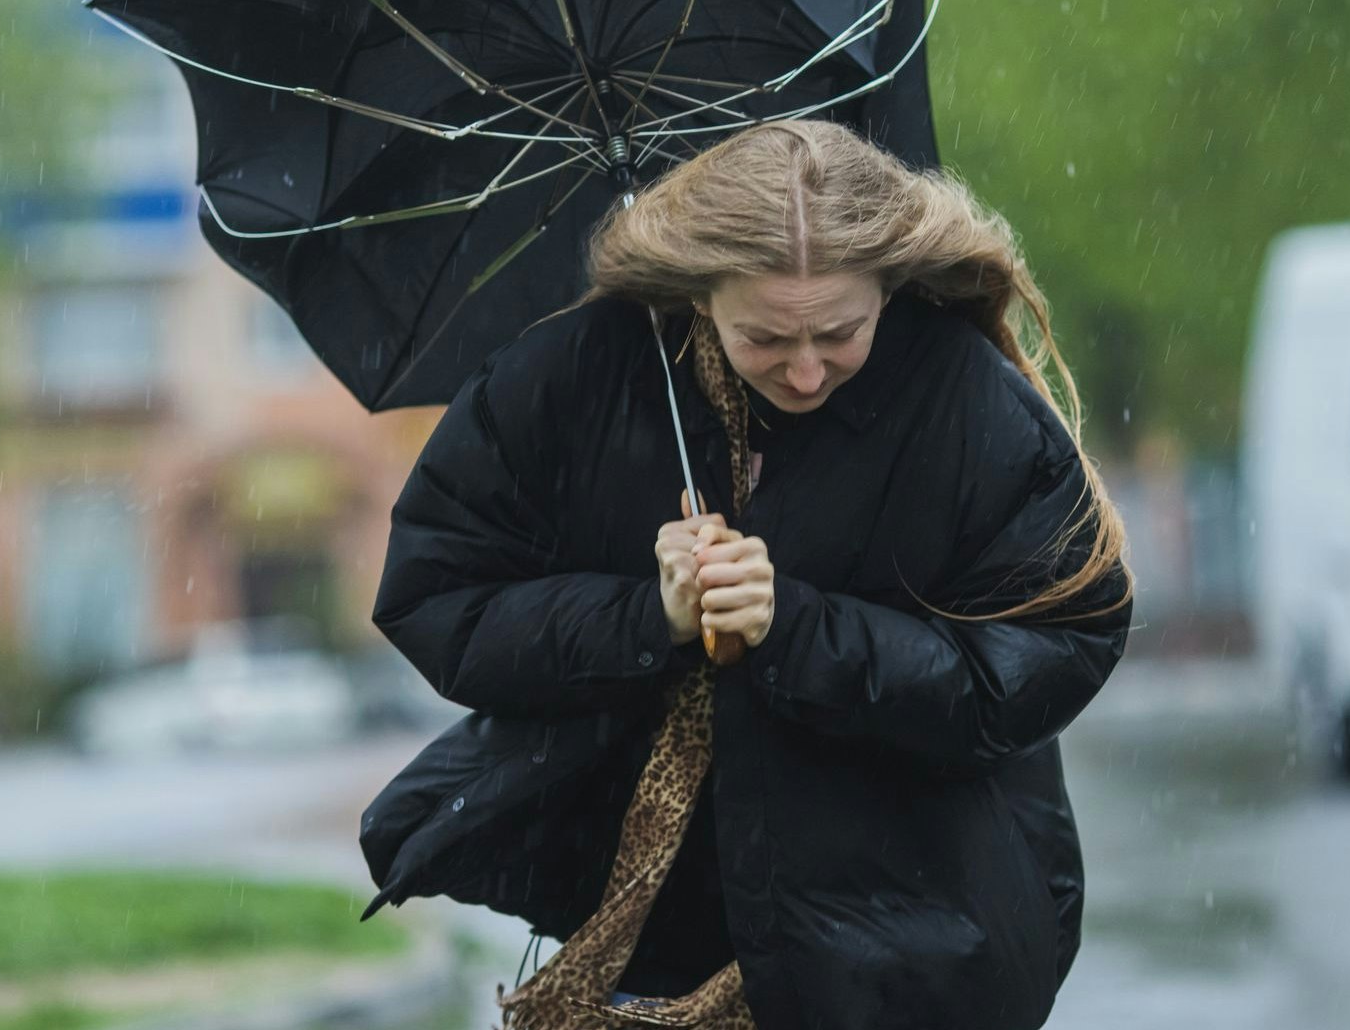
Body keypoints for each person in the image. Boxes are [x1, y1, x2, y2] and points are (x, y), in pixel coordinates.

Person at [360, 118, 1133, 1030]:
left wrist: (798, 630)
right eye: (765, 338)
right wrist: (649, 618)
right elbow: (437, 598)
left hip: (910, 955)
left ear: (887, 286)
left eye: (840, 332)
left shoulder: (964, 401)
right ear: (698, 292)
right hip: (650, 950)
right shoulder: (574, 378)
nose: (807, 371)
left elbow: (1053, 648)